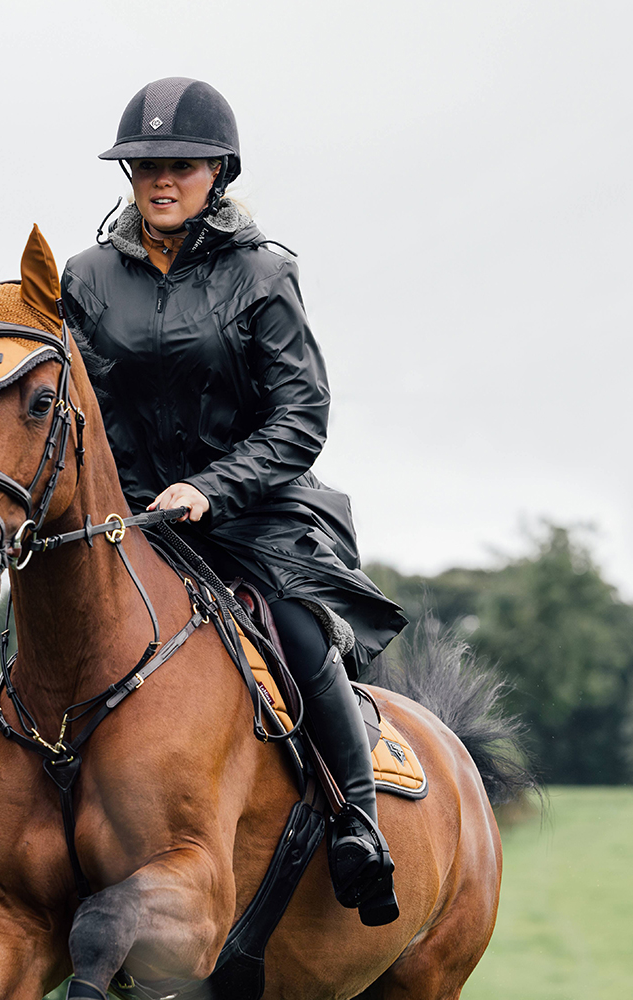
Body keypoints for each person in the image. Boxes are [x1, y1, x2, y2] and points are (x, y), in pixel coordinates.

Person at [60, 77, 407, 926]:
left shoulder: (262, 274)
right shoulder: (88, 277)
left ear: (218, 171)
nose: (159, 179)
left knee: (293, 630)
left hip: (252, 516)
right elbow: (71, 409)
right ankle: (20, 852)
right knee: (52, 638)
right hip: (132, 521)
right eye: (143, 166)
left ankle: (357, 822)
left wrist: (212, 488)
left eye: (178, 164)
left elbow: (302, 415)